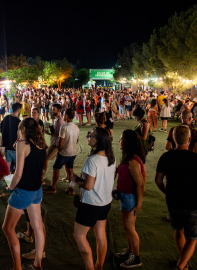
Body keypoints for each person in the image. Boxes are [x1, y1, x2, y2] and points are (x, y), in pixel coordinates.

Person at [155, 125, 197, 270]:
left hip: (173, 202)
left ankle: (183, 259)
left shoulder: (166, 157)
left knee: (178, 231)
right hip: (192, 203)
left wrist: (166, 191)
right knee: (192, 238)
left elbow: (158, 180)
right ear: (189, 140)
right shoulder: (196, 158)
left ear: (173, 139)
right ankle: (181, 265)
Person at [2, 118, 47, 270]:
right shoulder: (41, 144)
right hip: (36, 191)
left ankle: (17, 267)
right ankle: (37, 263)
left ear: (23, 130)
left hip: (23, 191)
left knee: (7, 228)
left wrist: (10, 187)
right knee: (38, 226)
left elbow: (18, 173)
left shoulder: (23, 144)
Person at [72, 127, 116, 270]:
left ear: (99, 141)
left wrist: (75, 179)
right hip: (105, 202)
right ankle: (99, 265)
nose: (88, 136)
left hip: (91, 204)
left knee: (79, 236)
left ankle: (90, 267)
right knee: (100, 234)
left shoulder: (93, 160)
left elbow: (88, 185)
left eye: (91, 135)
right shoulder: (111, 158)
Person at [114, 129, 146, 268]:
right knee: (128, 228)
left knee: (130, 228)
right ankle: (130, 251)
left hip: (129, 198)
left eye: (122, 139)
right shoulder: (129, 158)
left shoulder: (133, 162)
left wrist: (138, 204)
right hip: (125, 196)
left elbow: (140, 184)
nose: (119, 141)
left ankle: (136, 257)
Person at [44, 108, 80, 194]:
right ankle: (71, 189)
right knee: (70, 170)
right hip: (73, 152)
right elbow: (77, 141)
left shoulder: (64, 127)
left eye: (64, 114)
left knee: (56, 168)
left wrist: (60, 150)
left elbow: (60, 143)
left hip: (64, 152)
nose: (63, 116)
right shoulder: (76, 127)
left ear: (67, 116)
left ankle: (53, 187)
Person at [41, 104, 66, 183]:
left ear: (59, 110)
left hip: (57, 145)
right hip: (57, 144)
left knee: (45, 158)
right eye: (52, 109)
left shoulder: (60, 121)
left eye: (54, 109)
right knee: (64, 161)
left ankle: (41, 178)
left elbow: (60, 135)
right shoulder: (57, 119)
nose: (52, 111)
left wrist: (48, 133)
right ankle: (68, 176)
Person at [1, 103, 22, 171]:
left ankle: (8, 180)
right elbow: (20, 136)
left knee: (8, 167)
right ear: (19, 109)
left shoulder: (5, 118)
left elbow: (2, 130)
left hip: (6, 147)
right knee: (17, 168)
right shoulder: (18, 122)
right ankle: (15, 181)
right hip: (15, 147)